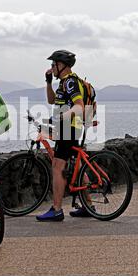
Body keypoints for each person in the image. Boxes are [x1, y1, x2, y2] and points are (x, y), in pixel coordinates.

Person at [36, 50, 93, 221]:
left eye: (54, 64)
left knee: (57, 166)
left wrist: (62, 117)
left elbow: (79, 106)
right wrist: (48, 83)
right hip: (69, 127)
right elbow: (52, 101)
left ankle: (57, 209)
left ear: (62, 66)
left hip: (68, 128)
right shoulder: (63, 83)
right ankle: (88, 206)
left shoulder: (70, 83)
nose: (51, 67)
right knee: (77, 164)